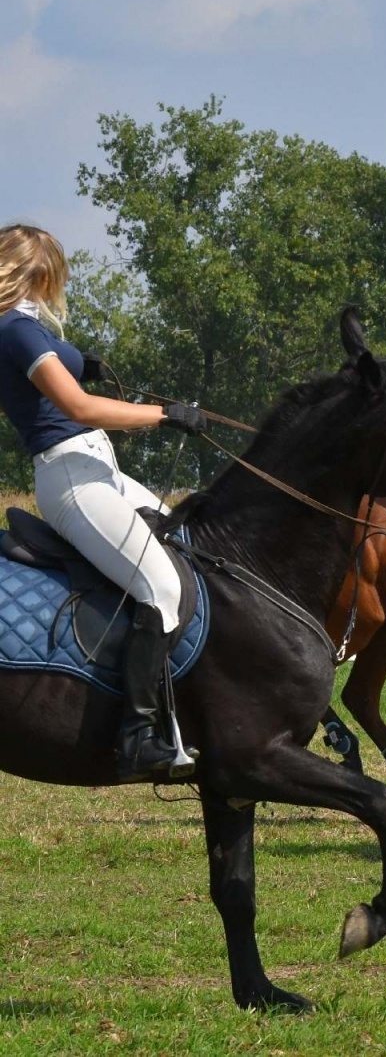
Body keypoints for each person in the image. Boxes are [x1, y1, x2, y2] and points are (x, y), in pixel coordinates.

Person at [0, 225, 208, 781]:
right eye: (51, 277)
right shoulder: (15, 330)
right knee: (160, 587)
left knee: (191, 550)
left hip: (100, 469)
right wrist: (164, 415)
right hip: (72, 477)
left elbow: (68, 383)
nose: (52, 289)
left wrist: (73, 359)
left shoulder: (28, 330)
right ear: (35, 272)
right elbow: (81, 408)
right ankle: (138, 736)